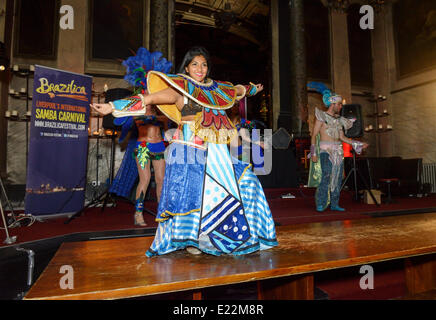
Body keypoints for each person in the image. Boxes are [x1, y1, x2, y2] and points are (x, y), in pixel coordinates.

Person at [91, 46, 278, 257]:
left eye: (204, 64)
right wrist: (112, 106)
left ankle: (221, 235)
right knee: (192, 197)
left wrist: (252, 89)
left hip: (218, 155)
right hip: (189, 153)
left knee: (246, 184)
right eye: (195, 64)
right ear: (187, 67)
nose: (200, 68)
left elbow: (238, 90)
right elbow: (147, 99)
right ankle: (190, 238)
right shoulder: (180, 89)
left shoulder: (218, 90)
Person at [307, 82, 368, 212]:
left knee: (338, 178)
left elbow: (342, 138)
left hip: (338, 152)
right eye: (339, 104)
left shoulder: (340, 120)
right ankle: (321, 203)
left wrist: (357, 144)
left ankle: (334, 204)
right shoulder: (321, 117)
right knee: (327, 176)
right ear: (333, 104)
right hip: (325, 151)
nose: (341, 106)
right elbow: (313, 136)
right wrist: (313, 153)